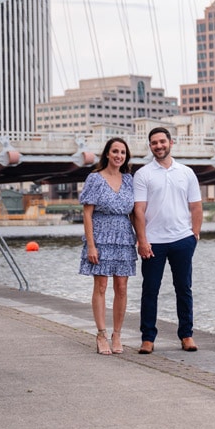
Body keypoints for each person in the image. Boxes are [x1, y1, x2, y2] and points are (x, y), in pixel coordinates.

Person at [132, 127, 203, 354]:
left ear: (171, 142)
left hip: (182, 239)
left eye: (162, 141)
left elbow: (196, 206)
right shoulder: (143, 174)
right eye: (154, 143)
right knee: (150, 289)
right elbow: (139, 210)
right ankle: (148, 338)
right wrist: (142, 241)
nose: (159, 146)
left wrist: (195, 235)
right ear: (150, 146)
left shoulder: (186, 172)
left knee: (183, 288)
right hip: (153, 242)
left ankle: (186, 335)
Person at [78, 137, 136, 355]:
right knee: (101, 286)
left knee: (121, 287)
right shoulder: (94, 178)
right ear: (107, 154)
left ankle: (117, 334)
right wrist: (91, 245)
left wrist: (140, 238)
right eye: (115, 151)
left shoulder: (129, 180)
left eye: (122, 152)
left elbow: (133, 213)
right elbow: (87, 213)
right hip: (101, 236)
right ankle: (101, 334)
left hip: (124, 237)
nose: (119, 155)